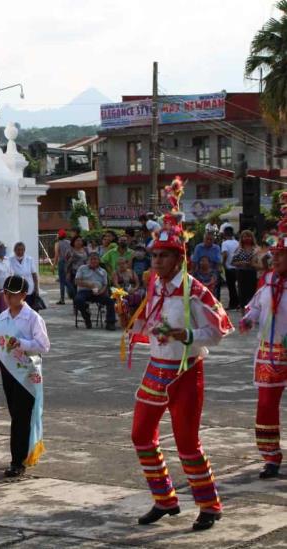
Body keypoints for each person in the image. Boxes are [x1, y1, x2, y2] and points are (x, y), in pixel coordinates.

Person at [126, 178, 233, 531]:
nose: (156, 261)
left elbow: (217, 332)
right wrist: (129, 316)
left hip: (186, 372)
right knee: (141, 435)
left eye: (163, 255)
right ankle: (165, 499)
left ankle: (209, 505)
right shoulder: (154, 286)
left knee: (187, 442)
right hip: (156, 370)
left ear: (179, 256)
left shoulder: (196, 292)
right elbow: (147, 324)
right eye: (153, 255)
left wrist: (185, 334)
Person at [0, 275, 50, 477]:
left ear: (24, 295)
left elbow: (44, 346)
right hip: (8, 372)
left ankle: (17, 461)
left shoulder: (33, 318)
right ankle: (21, 454)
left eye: (13, 294)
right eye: (6, 293)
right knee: (16, 415)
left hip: (27, 373)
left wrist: (21, 343)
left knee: (22, 418)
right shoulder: (2, 318)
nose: (8, 298)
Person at [240, 212, 287, 480]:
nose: (275, 258)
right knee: (266, 405)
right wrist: (248, 320)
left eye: (281, 254)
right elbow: (257, 306)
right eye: (274, 254)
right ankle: (271, 457)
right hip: (270, 353)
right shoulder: (268, 280)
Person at [74, 253, 116, 331]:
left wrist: (101, 292)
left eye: (95, 259)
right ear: (88, 260)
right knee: (78, 300)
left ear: (99, 260)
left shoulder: (103, 271)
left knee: (110, 300)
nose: (93, 261)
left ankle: (110, 322)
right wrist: (89, 285)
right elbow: (77, 281)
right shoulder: (82, 268)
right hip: (84, 291)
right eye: (91, 259)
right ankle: (86, 317)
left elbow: (105, 285)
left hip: (99, 292)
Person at [192, 230, 222, 300]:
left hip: (212, 270)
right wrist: (193, 273)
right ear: (204, 239)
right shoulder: (198, 247)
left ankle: (215, 301)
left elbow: (218, 262)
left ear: (213, 240)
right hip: (200, 270)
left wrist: (218, 272)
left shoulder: (216, 248)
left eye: (211, 239)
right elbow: (194, 262)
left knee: (216, 282)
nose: (208, 241)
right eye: (207, 239)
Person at [11, 242, 41, 310]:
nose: (20, 251)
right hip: (17, 290)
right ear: (14, 250)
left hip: (29, 289)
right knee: (20, 310)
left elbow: (34, 275)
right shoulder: (10, 260)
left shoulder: (29, 259)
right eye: (18, 249)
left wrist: (36, 288)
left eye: (22, 250)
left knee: (31, 310)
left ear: (24, 250)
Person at [233, 230, 258, 311]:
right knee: (242, 294)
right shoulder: (239, 249)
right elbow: (233, 262)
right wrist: (242, 262)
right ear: (241, 238)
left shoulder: (256, 248)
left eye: (249, 236)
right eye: (244, 236)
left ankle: (252, 312)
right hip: (241, 273)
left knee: (253, 293)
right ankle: (243, 314)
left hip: (253, 273)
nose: (247, 238)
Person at [221, 225, 240, 310]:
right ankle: (238, 303)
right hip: (237, 267)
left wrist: (223, 264)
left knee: (231, 287)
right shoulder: (237, 242)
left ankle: (233, 304)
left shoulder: (224, 243)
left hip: (229, 267)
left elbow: (225, 254)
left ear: (225, 234)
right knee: (238, 286)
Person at [52, 229, 71, 305]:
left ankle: (62, 299)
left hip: (62, 262)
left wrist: (53, 266)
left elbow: (56, 255)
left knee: (62, 281)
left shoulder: (57, 243)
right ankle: (73, 294)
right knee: (68, 280)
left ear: (59, 236)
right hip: (69, 262)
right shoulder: (69, 242)